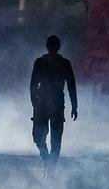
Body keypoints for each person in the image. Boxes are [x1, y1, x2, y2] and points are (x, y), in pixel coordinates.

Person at [30, 34, 77, 170]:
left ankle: (47, 158)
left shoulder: (40, 62)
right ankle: (51, 164)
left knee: (39, 136)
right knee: (55, 138)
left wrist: (34, 102)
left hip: (43, 102)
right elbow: (71, 86)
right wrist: (74, 106)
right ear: (58, 47)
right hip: (56, 103)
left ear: (47, 46)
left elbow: (33, 84)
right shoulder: (64, 63)